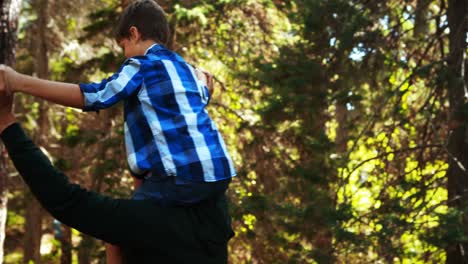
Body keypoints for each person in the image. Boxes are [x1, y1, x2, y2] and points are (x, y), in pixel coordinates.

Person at [0, 0, 236, 262]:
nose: (125, 54)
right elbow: (200, 97)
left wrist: (18, 81)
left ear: (133, 33)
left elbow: (96, 96)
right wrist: (205, 85)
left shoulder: (141, 66)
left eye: (123, 45)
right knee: (124, 227)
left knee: (117, 231)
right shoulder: (188, 71)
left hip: (178, 181)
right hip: (217, 176)